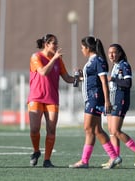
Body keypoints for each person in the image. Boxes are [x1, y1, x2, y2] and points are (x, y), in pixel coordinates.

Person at [69, 36, 122, 169]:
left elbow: (104, 81)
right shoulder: (92, 61)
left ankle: (111, 157)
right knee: (96, 130)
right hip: (90, 98)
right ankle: (89, 160)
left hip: (95, 98)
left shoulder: (98, 60)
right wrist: (81, 75)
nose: (81, 50)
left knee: (88, 128)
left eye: (82, 48)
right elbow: (91, 79)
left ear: (88, 48)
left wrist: (107, 101)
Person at [27, 34, 77, 168]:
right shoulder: (36, 57)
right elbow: (43, 72)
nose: (56, 46)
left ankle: (47, 160)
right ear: (46, 44)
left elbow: (67, 78)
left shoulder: (58, 60)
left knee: (51, 130)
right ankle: (36, 151)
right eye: (54, 43)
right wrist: (54, 59)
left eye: (56, 43)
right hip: (36, 97)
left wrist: (80, 78)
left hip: (52, 99)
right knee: (34, 129)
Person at [101, 44, 135, 168]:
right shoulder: (115, 66)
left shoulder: (124, 65)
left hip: (120, 101)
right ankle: (115, 159)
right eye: (109, 52)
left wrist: (113, 79)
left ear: (120, 53)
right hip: (112, 100)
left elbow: (128, 83)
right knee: (111, 131)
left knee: (116, 130)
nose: (111, 55)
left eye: (114, 52)